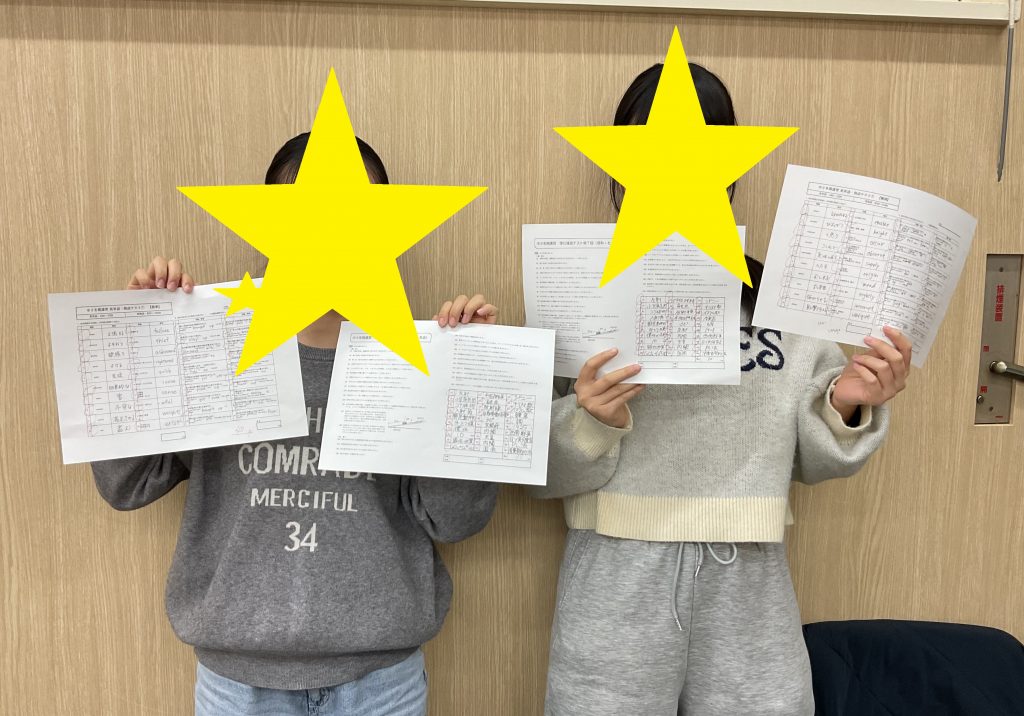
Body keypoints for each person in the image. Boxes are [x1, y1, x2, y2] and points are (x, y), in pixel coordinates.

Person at [529, 63, 912, 715]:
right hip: (615, 574)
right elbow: (540, 472)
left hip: (750, 576)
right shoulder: (577, 290)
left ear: (731, 167)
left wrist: (846, 401)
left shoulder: (783, 303)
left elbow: (814, 459)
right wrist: (589, 420)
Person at [96, 133, 499, 716]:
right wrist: (144, 342)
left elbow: (456, 519)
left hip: (382, 682)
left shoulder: (413, 359)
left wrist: (464, 381)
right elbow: (125, 484)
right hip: (238, 686)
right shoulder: (212, 346)